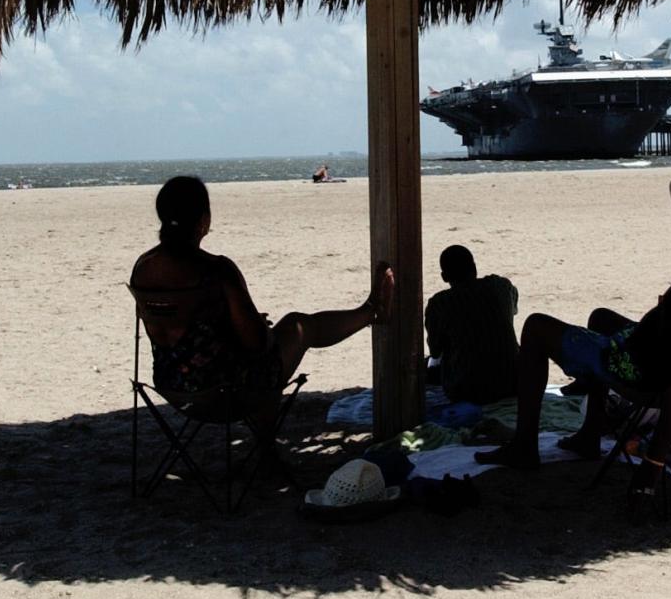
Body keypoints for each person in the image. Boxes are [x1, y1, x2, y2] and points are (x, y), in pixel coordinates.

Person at [475, 163, 671, 498]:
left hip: (646, 372)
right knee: (601, 317)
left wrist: (653, 464)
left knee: (536, 327)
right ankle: (589, 434)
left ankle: (524, 446)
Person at [130, 176, 394, 418]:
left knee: (260, 347)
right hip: (225, 391)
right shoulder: (217, 270)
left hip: (172, 388)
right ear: (203, 220)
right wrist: (258, 325)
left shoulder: (142, 268)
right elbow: (257, 344)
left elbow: (185, 330)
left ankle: (371, 311)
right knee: (298, 326)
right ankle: (372, 311)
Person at [424, 244, 520, 404]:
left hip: (467, 390)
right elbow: (512, 312)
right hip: (514, 383)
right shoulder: (501, 286)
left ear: (444, 277)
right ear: (474, 268)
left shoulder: (440, 303)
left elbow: (435, 351)